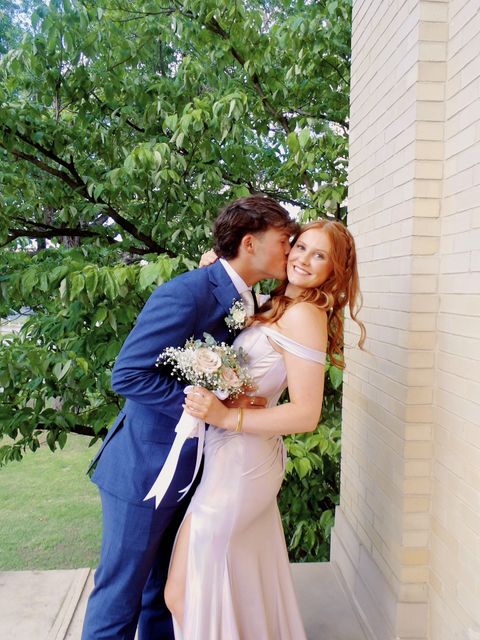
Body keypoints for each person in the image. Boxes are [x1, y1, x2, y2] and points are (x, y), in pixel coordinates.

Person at [81, 195, 298, 640]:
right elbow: (129, 374)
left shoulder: (248, 296)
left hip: (199, 470)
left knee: (164, 595)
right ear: (250, 243)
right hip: (144, 469)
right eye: (284, 240)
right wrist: (208, 408)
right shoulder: (185, 292)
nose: (290, 250)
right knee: (120, 596)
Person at [164, 219, 366, 640]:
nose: (303, 259)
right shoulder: (279, 304)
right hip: (230, 455)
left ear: (334, 270)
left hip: (242, 464)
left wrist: (226, 417)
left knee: (185, 594)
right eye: (301, 247)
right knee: (229, 589)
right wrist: (216, 269)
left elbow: (306, 414)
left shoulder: (305, 315)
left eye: (320, 256)